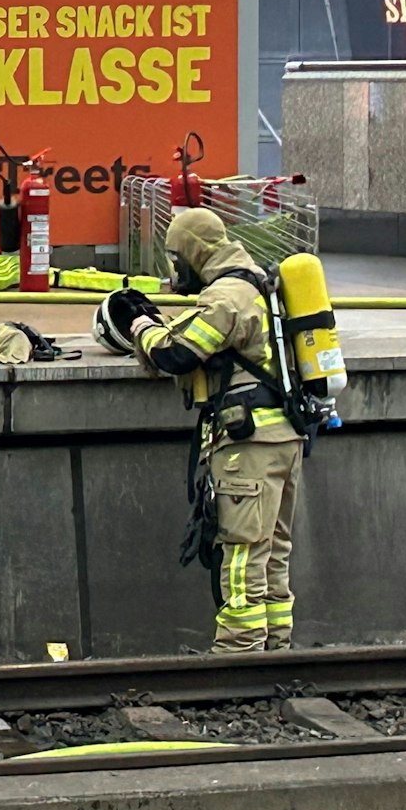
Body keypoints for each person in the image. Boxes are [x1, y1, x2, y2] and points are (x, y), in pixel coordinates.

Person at [119, 208, 304, 653]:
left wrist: (140, 325)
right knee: (272, 546)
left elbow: (179, 353)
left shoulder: (228, 295)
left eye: (177, 258)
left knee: (241, 550)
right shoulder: (263, 283)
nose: (175, 269)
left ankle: (238, 648)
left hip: (248, 444)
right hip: (285, 437)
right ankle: (276, 643)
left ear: (195, 253)